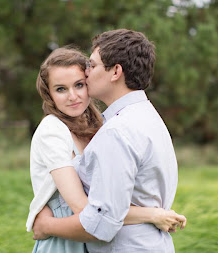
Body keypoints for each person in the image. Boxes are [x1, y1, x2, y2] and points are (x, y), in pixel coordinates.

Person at [33, 29, 186, 252]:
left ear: (115, 72)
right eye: (61, 89)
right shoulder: (146, 116)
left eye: (92, 66)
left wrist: (47, 226)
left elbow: (101, 222)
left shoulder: (117, 131)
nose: (87, 73)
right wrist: (152, 214)